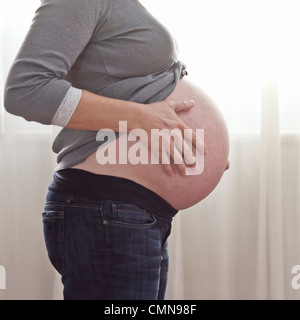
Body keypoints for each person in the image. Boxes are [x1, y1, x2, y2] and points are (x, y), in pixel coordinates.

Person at [4, 0, 230, 300]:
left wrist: (200, 147)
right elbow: (25, 90)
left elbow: (129, 86)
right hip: (107, 209)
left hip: (131, 212)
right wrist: (141, 118)